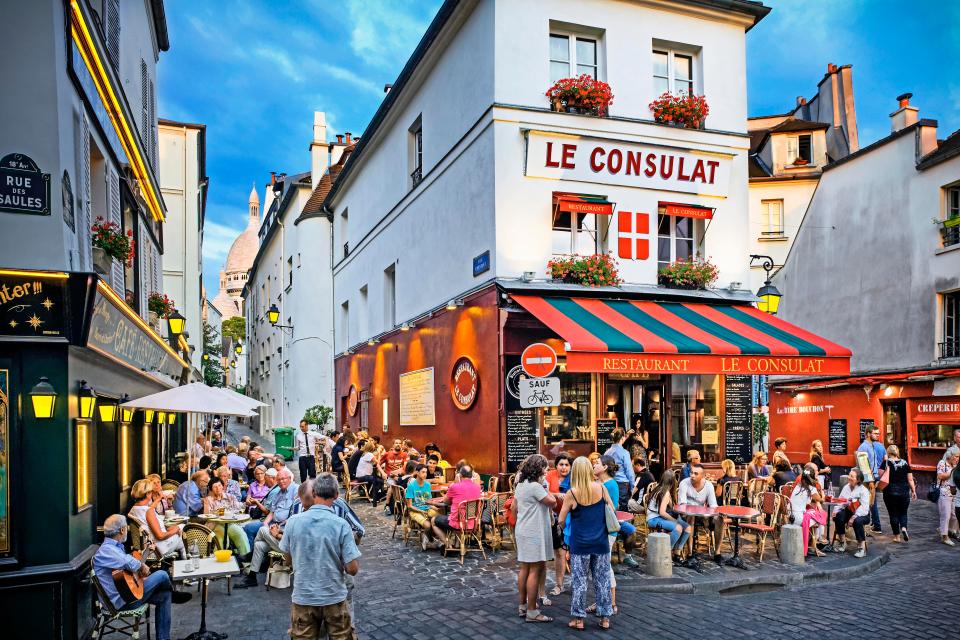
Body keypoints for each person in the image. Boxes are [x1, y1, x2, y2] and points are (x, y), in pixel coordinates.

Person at [280, 473, 361, 640]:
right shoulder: (341, 524)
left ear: (314, 493)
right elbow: (352, 569)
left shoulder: (293, 522)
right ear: (336, 496)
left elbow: (288, 560)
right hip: (333, 597)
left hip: (304, 597)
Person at [93, 515, 191, 640]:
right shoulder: (106, 550)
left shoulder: (113, 548)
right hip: (121, 602)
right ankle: (173, 591)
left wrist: (145, 552)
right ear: (122, 530)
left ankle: (163, 638)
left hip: (126, 594)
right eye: (126, 528)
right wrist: (141, 566)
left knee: (165, 595)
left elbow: (129, 569)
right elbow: (130, 563)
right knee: (162, 574)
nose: (126, 531)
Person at [558, 457, 615, 630]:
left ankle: (578, 619)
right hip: (600, 543)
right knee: (602, 580)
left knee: (579, 581)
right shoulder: (602, 488)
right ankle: (605, 618)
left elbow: (561, 520)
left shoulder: (572, 493)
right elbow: (612, 510)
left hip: (580, 544)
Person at [236, 468, 300, 588]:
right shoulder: (279, 492)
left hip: (287, 540)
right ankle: (252, 577)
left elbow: (296, 516)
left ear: (290, 479)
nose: (281, 481)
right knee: (260, 543)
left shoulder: (296, 491)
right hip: (275, 530)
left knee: (261, 530)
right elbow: (272, 512)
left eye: (283, 479)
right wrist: (266, 523)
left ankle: (250, 555)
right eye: (279, 479)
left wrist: (279, 527)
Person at [511, 454, 556, 624]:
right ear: (538, 469)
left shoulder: (521, 485)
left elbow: (515, 508)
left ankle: (522, 606)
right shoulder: (537, 487)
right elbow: (551, 502)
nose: (547, 470)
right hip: (534, 532)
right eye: (545, 467)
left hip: (523, 530)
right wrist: (547, 488)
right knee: (535, 570)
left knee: (524, 568)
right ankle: (532, 611)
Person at [595, 455, 638, 568]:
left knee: (603, 564)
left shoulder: (610, 485)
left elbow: (611, 508)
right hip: (601, 525)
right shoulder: (598, 482)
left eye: (597, 463)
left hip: (607, 526)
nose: (594, 465)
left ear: (604, 467)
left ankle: (627, 556)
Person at [128, 479, 186, 560]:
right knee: (186, 532)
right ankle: (187, 565)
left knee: (179, 530)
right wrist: (177, 529)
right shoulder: (148, 511)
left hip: (146, 547)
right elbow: (160, 536)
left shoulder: (133, 509)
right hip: (157, 549)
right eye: (151, 491)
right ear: (148, 493)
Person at [678, 463, 723, 563]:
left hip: (703, 514)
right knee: (691, 517)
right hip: (687, 514)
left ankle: (717, 553)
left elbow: (713, 506)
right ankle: (690, 553)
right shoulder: (684, 483)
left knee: (719, 519)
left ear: (702, 476)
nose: (692, 475)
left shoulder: (708, 486)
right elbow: (682, 504)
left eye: (696, 473)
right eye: (691, 473)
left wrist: (712, 516)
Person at [646, 470, 691, 563]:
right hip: (654, 519)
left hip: (659, 517)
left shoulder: (662, 489)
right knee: (678, 528)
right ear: (673, 481)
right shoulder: (664, 492)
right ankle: (665, 552)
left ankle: (677, 552)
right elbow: (662, 512)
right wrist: (674, 520)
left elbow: (671, 507)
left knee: (687, 528)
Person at [432, 464, 482, 545]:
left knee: (433, 521)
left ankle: (448, 544)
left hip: (457, 523)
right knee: (454, 517)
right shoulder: (477, 487)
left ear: (460, 475)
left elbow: (446, 502)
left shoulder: (454, 486)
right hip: (473, 523)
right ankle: (458, 543)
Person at [545, 453, 571, 597]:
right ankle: (559, 585)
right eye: (561, 464)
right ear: (556, 466)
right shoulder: (550, 475)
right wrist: (556, 495)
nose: (564, 467)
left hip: (572, 518)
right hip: (555, 518)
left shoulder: (574, 477)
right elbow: (542, 490)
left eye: (567, 465)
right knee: (559, 552)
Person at [203, 478, 251, 556]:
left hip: (229, 523)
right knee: (222, 537)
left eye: (219, 485)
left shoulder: (230, 497)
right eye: (215, 487)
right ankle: (217, 560)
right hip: (215, 524)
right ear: (211, 489)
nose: (218, 488)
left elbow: (239, 506)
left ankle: (245, 557)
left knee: (239, 533)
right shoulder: (208, 500)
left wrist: (247, 503)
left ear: (223, 486)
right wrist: (215, 512)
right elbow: (206, 515)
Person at [881, 445, 915, 543]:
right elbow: (910, 479)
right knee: (903, 512)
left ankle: (897, 536)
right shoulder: (905, 463)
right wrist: (913, 491)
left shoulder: (886, 463)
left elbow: (881, 476)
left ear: (888, 452)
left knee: (893, 514)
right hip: (904, 492)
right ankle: (904, 528)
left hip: (890, 492)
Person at [789, 466, 825, 556]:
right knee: (821, 516)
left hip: (789, 516)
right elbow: (820, 500)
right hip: (798, 519)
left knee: (812, 513)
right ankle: (815, 544)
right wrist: (823, 494)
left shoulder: (798, 486)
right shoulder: (811, 488)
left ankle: (812, 543)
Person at [834, 469, 871, 557]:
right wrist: (836, 510)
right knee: (838, 516)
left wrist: (854, 517)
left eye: (852, 476)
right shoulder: (846, 487)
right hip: (849, 511)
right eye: (849, 475)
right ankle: (843, 542)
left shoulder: (863, 490)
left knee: (857, 521)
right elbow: (841, 501)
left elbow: (865, 507)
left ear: (858, 479)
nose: (849, 478)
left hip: (862, 514)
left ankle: (861, 548)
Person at [856, 426, 885, 533]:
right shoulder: (863, 447)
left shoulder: (872, 445)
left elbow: (872, 465)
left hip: (872, 478)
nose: (878, 435)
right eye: (875, 433)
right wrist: (870, 481)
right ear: (868, 434)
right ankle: (864, 526)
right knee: (867, 502)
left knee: (871, 502)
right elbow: (864, 466)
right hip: (866, 481)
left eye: (878, 433)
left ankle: (871, 526)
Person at [405, 464, 438, 550]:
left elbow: (429, 501)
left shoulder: (427, 485)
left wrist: (433, 506)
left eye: (426, 472)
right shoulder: (411, 486)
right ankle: (430, 538)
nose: (425, 474)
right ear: (417, 473)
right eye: (423, 472)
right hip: (415, 511)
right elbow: (409, 506)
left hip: (427, 508)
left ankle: (429, 537)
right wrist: (420, 511)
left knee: (439, 519)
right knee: (427, 526)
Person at [602, 428, 635, 511]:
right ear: (623, 438)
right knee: (623, 509)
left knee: (611, 507)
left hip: (610, 482)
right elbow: (629, 472)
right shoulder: (624, 453)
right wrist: (632, 487)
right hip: (622, 484)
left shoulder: (607, 452)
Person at [935, 446, 959, 545]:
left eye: (958, 457)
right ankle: (944, 537)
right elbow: (940, 476)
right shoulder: (942, 463)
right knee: (946, 515)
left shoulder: (955, 465)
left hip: (954, 493)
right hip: (944, 493)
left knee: (955, 515)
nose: (957, 458)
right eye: (956, 456)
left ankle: (945, 530)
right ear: (950, 456)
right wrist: (953, 471)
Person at [354, 441, 385, 507]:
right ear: (371, 447)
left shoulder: (365, 454)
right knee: (380, 480)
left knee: (379, 478)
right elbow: (377, 463)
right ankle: (374, 496)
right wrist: (379, 452)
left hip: (360, 476)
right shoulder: (369, 454)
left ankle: (374, 494)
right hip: (363, 476)